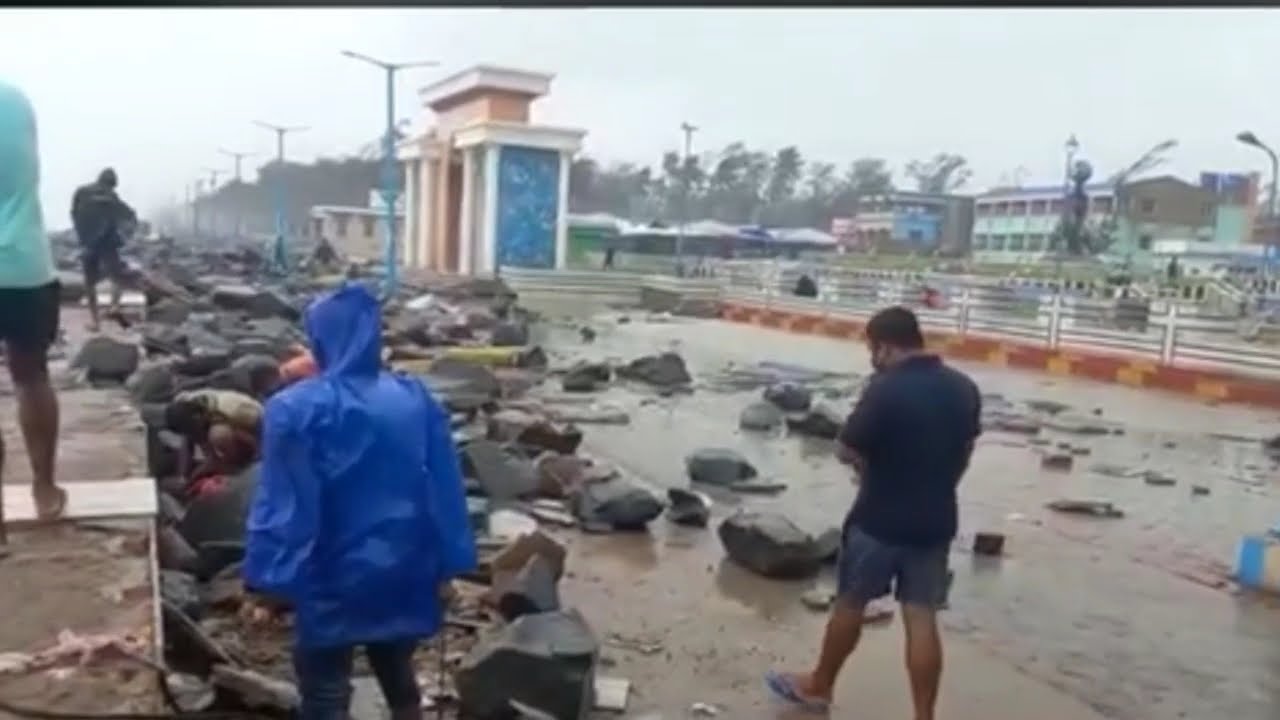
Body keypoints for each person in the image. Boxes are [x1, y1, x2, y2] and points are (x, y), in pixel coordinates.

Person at [243, 283, 476, 720]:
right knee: (396, 667)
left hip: (330, 571)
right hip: (403, 564)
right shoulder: (415, 398)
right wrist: (449, 564)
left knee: (326, 687)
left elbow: (286, 503)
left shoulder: (293, 408)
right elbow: (445, 487)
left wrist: (268, 579)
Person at [766, 306, 981, 720]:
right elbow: (966, 451)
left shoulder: (885, 388)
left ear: (882, 346)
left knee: (851, 603)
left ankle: (820, 685)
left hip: (879, 517)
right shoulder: (963, 387)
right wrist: (940, 486)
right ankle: (924, 715)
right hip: (936, 520)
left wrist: (868, 467)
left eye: (872, 349)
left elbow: (847, 448)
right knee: (922, 618)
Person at [0, 80, 66, 528]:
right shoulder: (16, 99)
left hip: (25, 263)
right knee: (31, 377)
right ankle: (43, 487)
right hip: (24, 261)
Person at [71, 167, 137, 332]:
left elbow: (73, 213)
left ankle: (95, 322)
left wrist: (83, 234)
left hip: (88, 244)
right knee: (117, 276)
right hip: (107, 243)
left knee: (89, 283)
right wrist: (129, 231)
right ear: (112, 184)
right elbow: (129, 215)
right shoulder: (111, 196)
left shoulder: (81, 192)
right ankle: (114, 306)